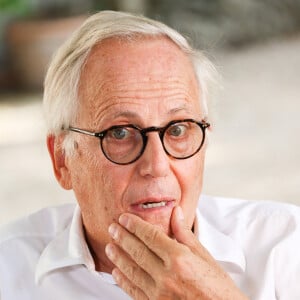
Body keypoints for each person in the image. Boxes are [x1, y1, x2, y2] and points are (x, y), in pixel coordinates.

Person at [0, 10, 299, 300]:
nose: (156, 166)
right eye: (120, 133)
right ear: (63, 160)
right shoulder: (10, 269)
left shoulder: (285, 247)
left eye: (178, 130)